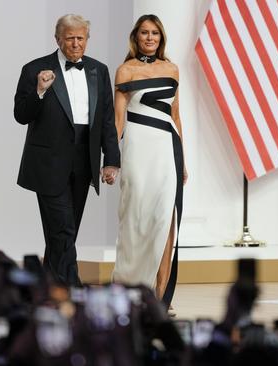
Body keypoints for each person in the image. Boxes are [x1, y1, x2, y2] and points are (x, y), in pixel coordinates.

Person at [13, 14, 120, 286]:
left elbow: (107, 119)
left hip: (84, 160)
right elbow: (21, 115)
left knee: (63, 233)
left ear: (87, 39)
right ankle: (73, 290)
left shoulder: (99, 70)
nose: (75, 44)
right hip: (48, 162)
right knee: (62, 229)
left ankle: (48, 290)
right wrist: (39, 90)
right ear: (57, 39)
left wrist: (111, 160)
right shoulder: (34, 69)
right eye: (70, 38)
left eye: (80, 38)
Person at [112, 14, 187, 309]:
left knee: (166, 220)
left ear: (161, 37)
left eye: (155, 33)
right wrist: (112, 159)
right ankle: (129, 291)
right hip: (137, 148)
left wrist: (183, 160)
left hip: (168, 148)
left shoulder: (172, 69)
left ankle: (161, 297)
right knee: (135, 218)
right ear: (136, 36)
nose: (150, 38)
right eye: (144, 32)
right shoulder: (125, 70)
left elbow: (176, 114)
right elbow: (118, 119)